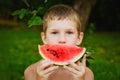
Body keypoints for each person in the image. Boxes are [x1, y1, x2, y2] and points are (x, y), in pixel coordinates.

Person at [24, 4, 94, 80]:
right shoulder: (31, 72)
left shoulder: (87, 74)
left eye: (69, 33)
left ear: (79, 38)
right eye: (54, 33)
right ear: (44, 38)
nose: (62, 39)